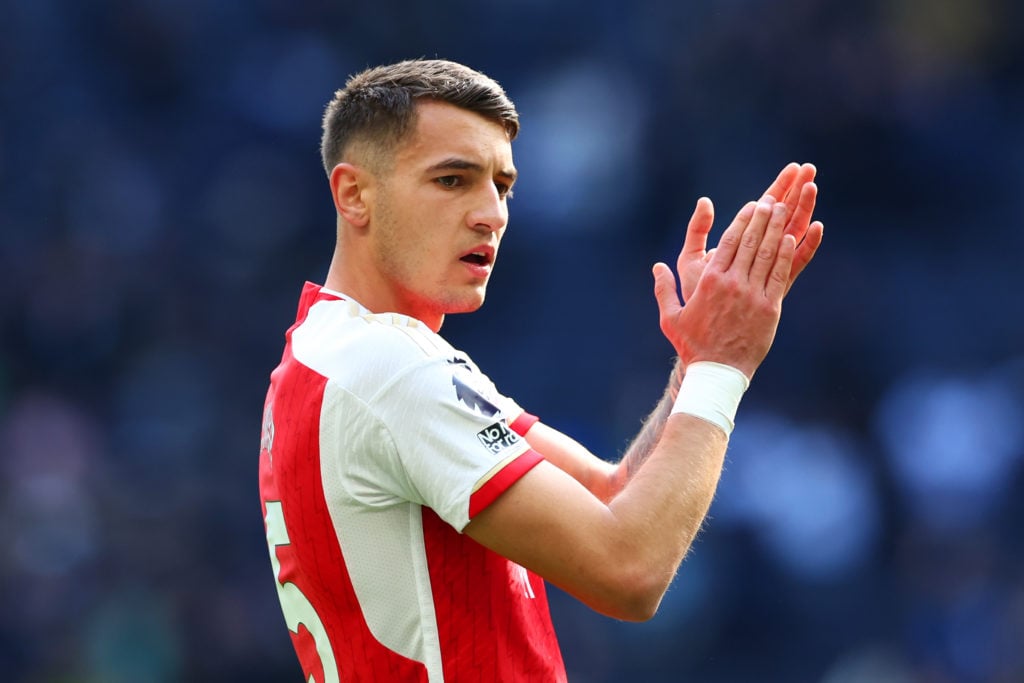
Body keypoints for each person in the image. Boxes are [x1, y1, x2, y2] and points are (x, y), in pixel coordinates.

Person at [258, 58, 823, 682]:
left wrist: (694, 363)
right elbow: (629, 570)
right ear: (354, 194)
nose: (491, 214)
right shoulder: (388, 369)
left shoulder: (335, 351)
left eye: (502, 186)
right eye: (452, 180)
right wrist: (724, 363)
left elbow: (611, 495)